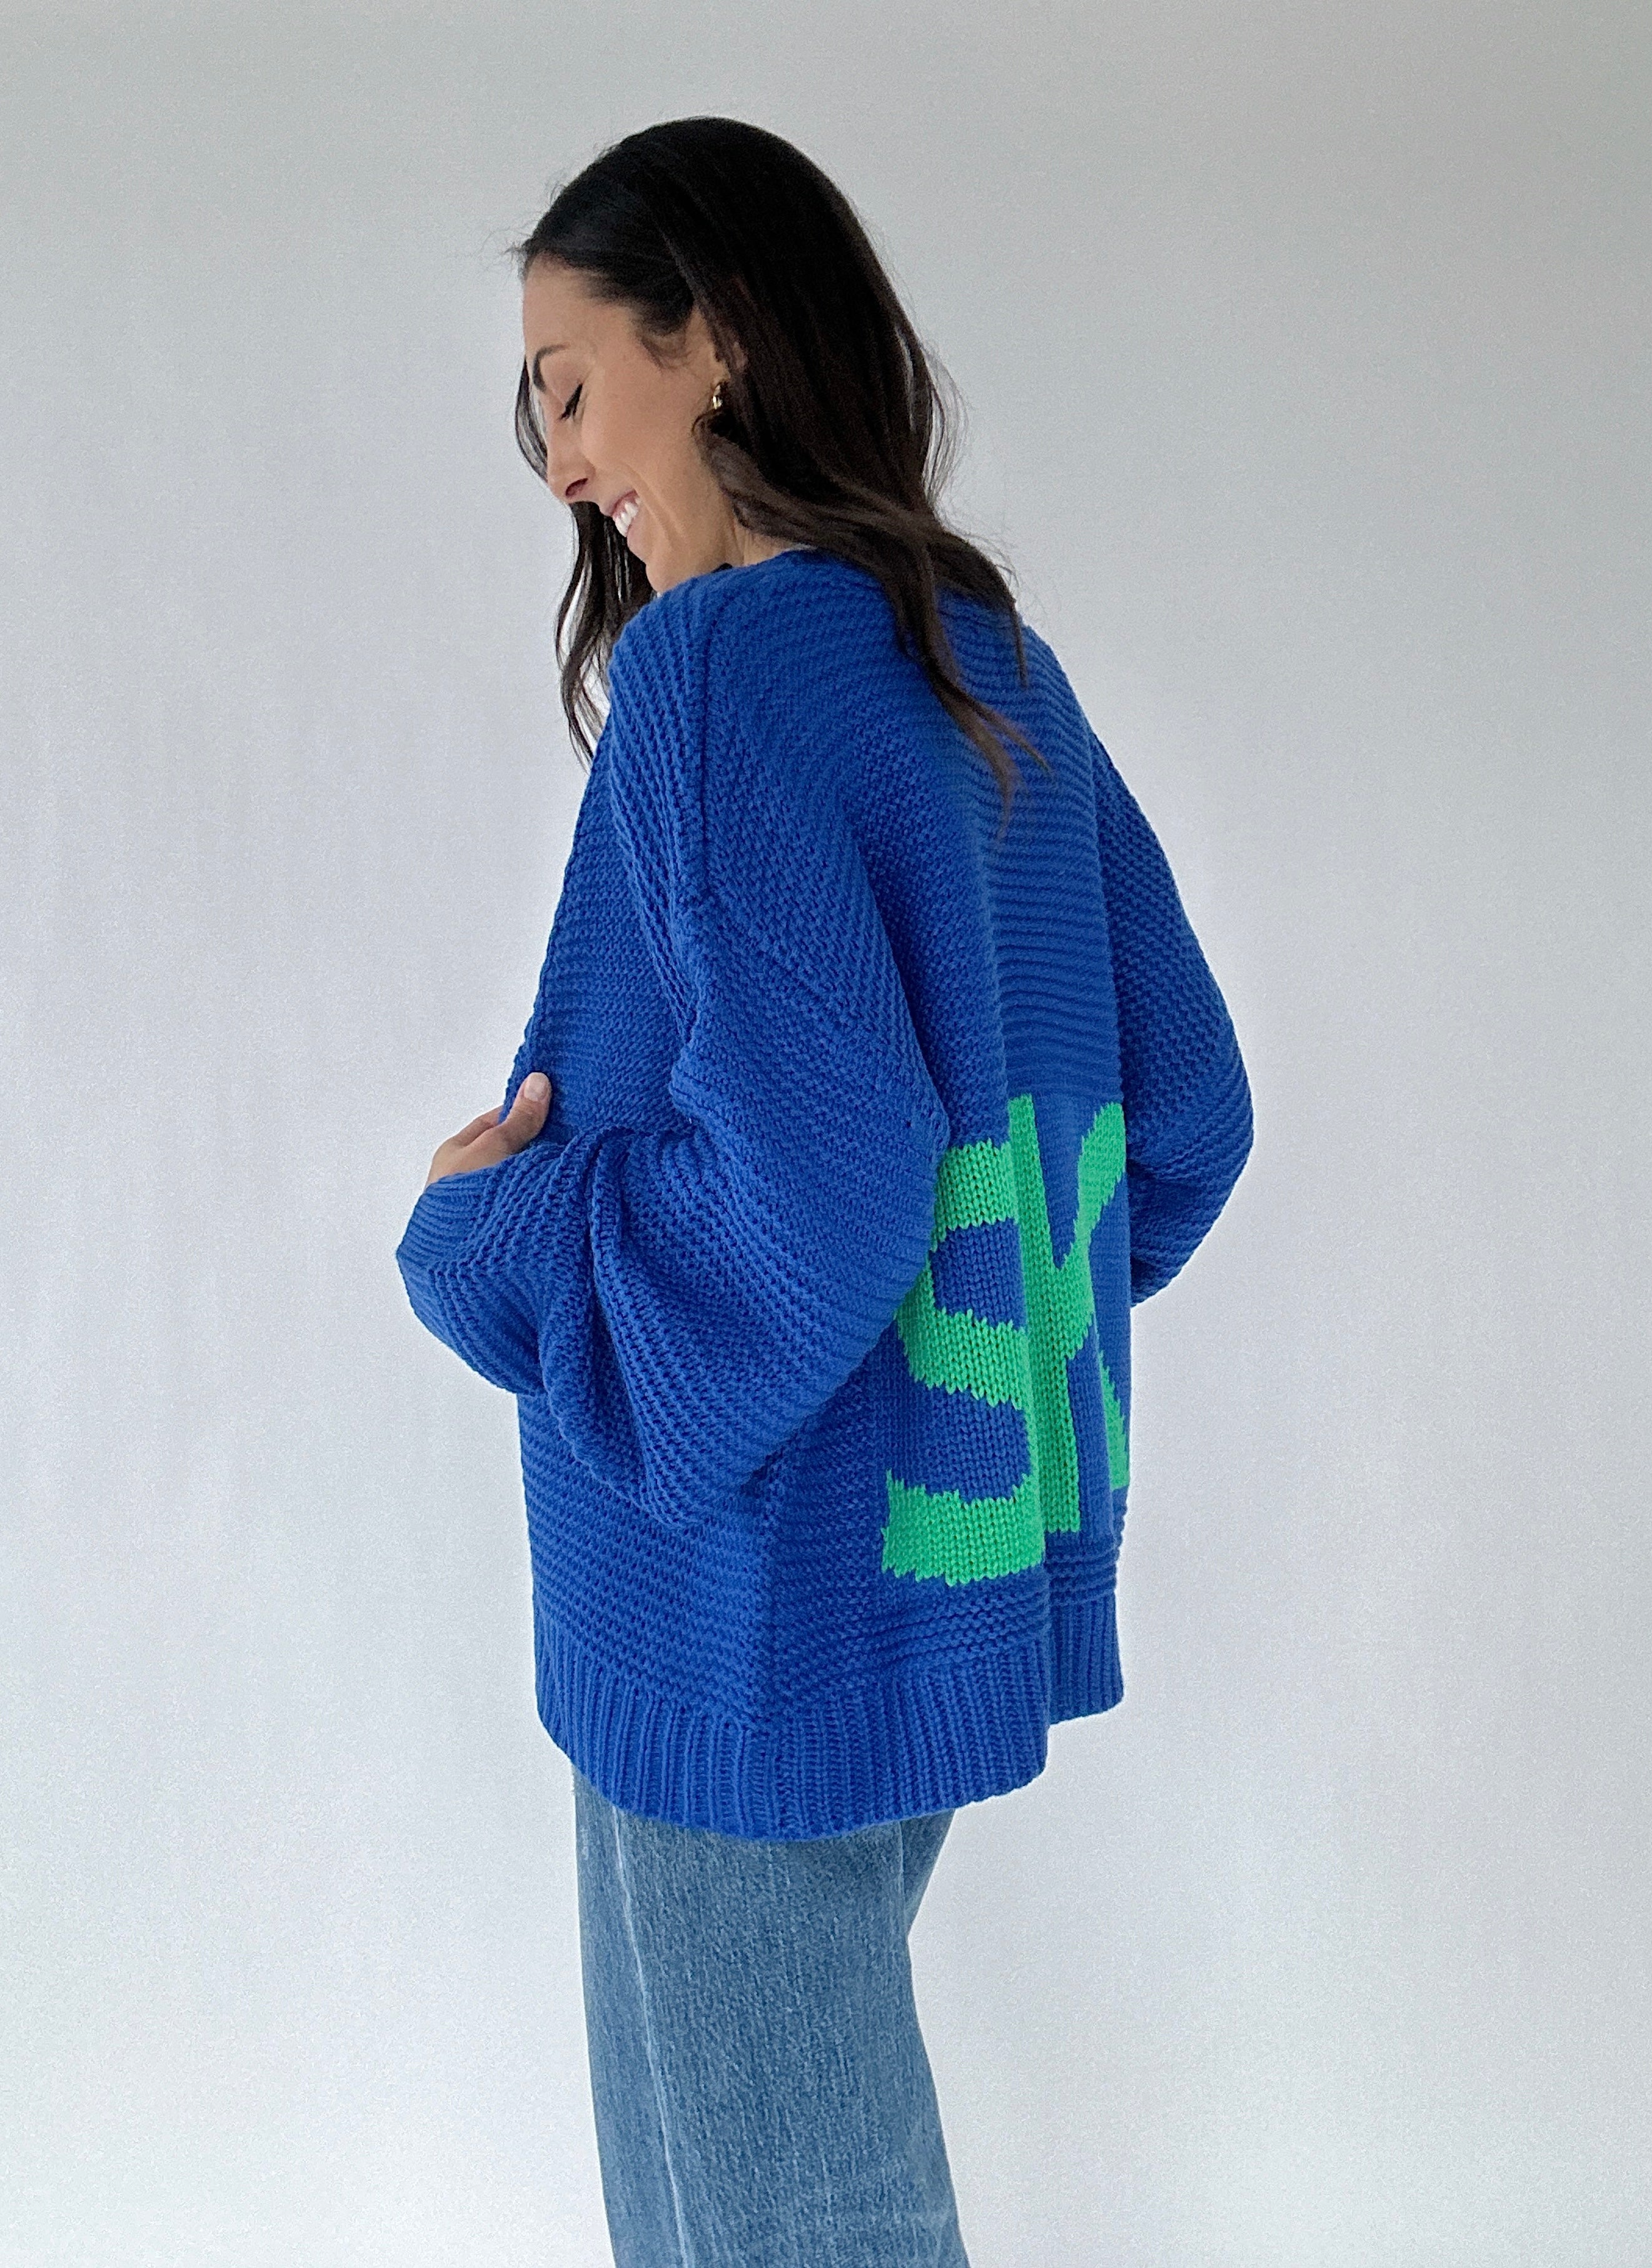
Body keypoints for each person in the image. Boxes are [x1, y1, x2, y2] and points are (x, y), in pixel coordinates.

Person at [395, 114, 1254, 2268]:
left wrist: (490, 1228)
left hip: (736, 1605)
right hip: (937, 1578)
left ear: (712, 340)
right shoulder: (992, 673)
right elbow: (1178, 1117)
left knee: (773, 2229)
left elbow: (814, 1202)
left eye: (570, 387)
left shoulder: (711, 676)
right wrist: (964, 1375)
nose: (560, 464)